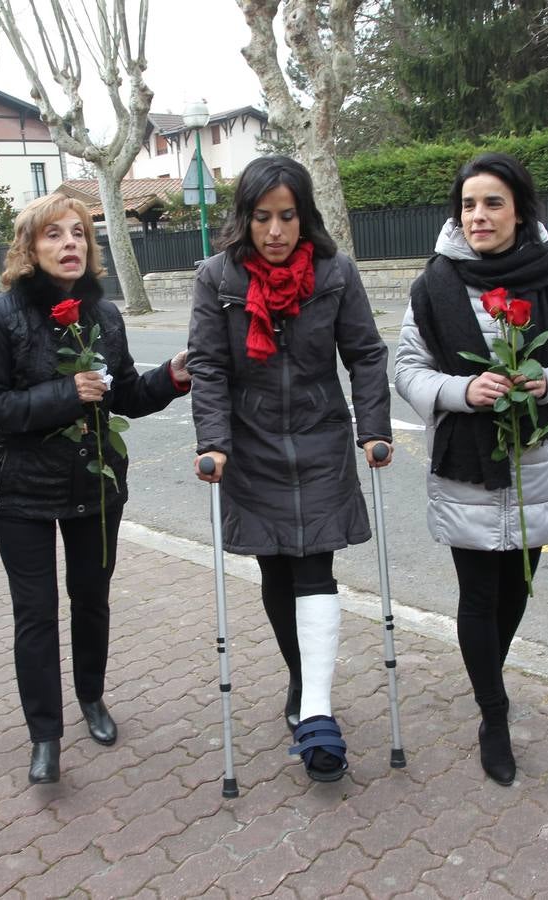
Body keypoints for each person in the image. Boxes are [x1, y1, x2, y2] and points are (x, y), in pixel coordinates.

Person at [394, 152, 548, 786]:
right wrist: (463, 391)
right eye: (468, 204)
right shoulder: (434, 285)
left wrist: (547, 382)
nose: (479, 215)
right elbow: (406, 369)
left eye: (493, 202)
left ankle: (489, 676)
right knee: (479, 596)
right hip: (465, 466)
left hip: (535, 460)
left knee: (515, 591)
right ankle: (494, 713)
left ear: (519, 209)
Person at [0, 194, 191, 785]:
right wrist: (67, 394)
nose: (70, 244)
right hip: (19, 493)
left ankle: (91, 697)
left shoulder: (105, 314)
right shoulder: (1, 315)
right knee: (35, 614)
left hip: (95, 485)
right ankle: (45, 735)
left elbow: (120, 397)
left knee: (92, 599)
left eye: (79, 234)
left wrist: (169, 378)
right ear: (28, 247)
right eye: (53, 235)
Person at [187, 155, 392, 784]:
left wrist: (374, 429)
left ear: (305, 217)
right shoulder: (216, 278)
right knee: (276, 567)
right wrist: (215, 441)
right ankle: (304, 685)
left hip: (320, 439)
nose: (275, 232)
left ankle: (317, 710)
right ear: (244, 219)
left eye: (287, 217)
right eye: (262, 217)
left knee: (315, 562)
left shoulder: (334, 273)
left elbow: (364, 353)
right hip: (250, 446)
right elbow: (210, 366)